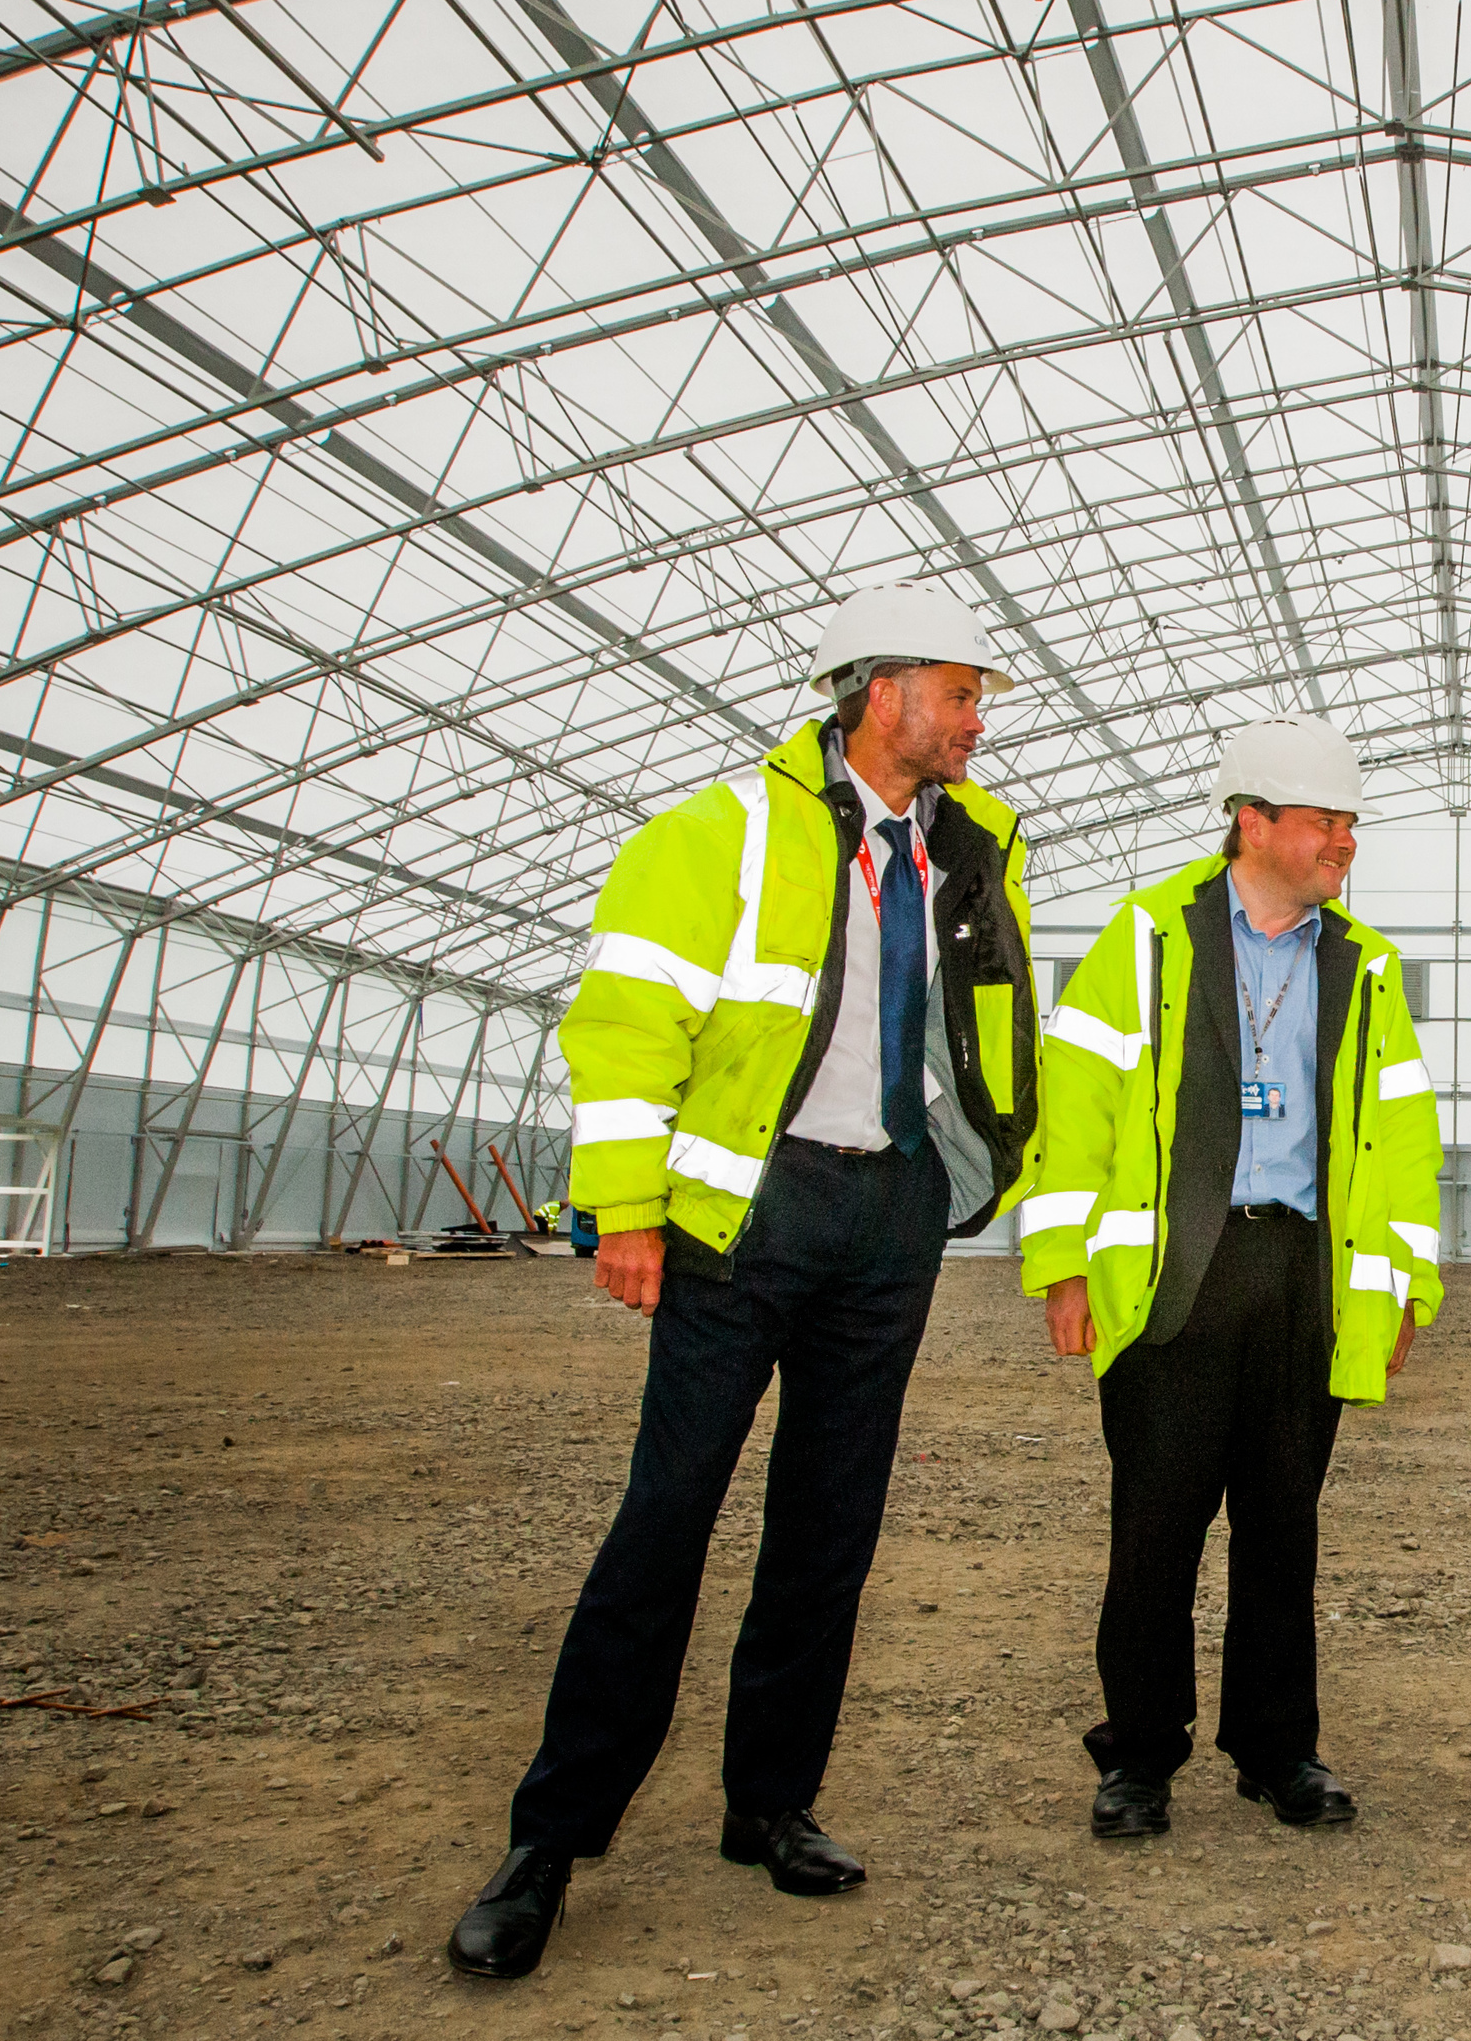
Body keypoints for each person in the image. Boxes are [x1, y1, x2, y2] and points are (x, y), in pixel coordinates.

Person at [445, 584, 1041, 1980]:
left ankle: (769, 1805)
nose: (974, 719)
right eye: (958, 692)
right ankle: (550, 1843)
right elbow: (623, 1022)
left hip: (891, 1212)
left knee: (828, 1532)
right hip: (744, 1216)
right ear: (881, 692)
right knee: (666, 1521)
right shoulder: (717, 831)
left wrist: (990, 1161)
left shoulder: (976, 847)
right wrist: (627, 1210)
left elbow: (990, 1016)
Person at [1020, 714, 1443, 1841]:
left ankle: (1276, 1750)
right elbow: (1081, 1105)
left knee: (1281, 1529)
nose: (1344, 841)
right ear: (1253, 824)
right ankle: (1140, 1758)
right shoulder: (1150, 936)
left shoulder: (1364, 962)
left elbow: (1400, 1143)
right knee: (1154, 1530)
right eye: (1323, 821)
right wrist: (1061, 1262)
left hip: (1302, 1270)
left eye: (1351, 822)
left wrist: (1401, 1286)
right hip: (1178, 1274)